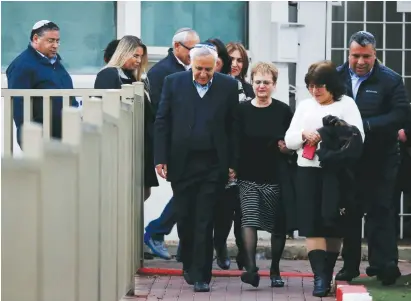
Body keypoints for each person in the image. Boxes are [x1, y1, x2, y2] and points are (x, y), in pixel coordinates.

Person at [154, 43, 239, 292]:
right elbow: (162, 121)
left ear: (216, 67)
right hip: (182, 162)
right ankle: (189, 264)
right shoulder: (174, 82)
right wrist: (161, 158)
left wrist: (233, 163)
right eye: (199, 69)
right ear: (191, 64)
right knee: (185, 217)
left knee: (205, 218)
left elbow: (233, 127)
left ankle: (202, 274)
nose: (203, 74)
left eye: (208, 70)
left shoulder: (227, 85)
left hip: (214, 163)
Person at [335, 31, 410, 286]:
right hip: (348, 160)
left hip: (382, 159)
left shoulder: (391, 80)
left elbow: (400, 113)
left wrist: (364, 125)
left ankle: (384, 265)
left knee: (381, 210)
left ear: (374, 54)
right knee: (350, 214)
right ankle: (350, 266)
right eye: (356, 55)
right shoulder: (336, 76)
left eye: (366, 56)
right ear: (349, 53)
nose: (360, 61)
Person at [285, 61, 365, 297]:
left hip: (336, 173)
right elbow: (289, 139)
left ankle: (328, 272)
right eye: (310, 86)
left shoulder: (347, 104)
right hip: (307, 170)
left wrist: (326, 136)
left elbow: (357, 137)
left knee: (331, 223)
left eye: (319, 86)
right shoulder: (305, 105)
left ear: (331, 85)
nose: (315, 91)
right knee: (312, 225)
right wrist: (302, 135)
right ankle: (319, 277)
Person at [235, 62, 296, 288]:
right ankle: (251, 268)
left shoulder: (283, 110)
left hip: (276, 175)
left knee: (277, 225)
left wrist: (286, 148)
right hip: (248, 175)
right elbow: (235, 140)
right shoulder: (241, 110)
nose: (261, 86)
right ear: (251, 82)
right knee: (248, 220)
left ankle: (275, 270)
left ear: (274, 85)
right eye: (258, 82)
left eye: (266, 82)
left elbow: (292, 141)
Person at [143, 28, 200, 260]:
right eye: (191, 49)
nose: (194, 54)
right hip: (175, 144)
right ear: (177, 47)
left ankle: (161, 233)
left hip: (191, 142)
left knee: (191, 192)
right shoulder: (162, 72)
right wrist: (162, 154)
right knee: (187, 192)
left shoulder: (190, 68)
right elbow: (160, 115)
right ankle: (156, 231)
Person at [94, 35, 159, 201]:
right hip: (123, 146)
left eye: (140, 57)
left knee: (142, 194)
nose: (138, 61)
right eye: (135, 56)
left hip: (141, 144)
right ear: (123, 53)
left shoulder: (134, 78)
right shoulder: (109, 75)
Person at [6, 20, 78, 145]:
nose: (55, 45)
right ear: (35, 39)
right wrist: (29, 138)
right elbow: (19, 107)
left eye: (57, 41)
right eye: (50, 41)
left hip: (64, 136)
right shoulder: (22, 66)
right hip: (41, 139)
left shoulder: (56, 63)